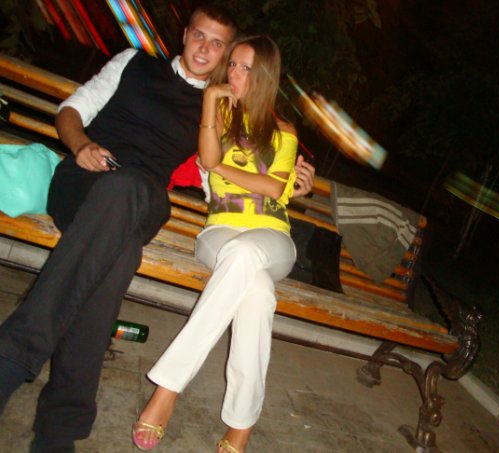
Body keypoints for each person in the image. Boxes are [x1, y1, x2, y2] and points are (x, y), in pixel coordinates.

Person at [0, 5, 312, 452]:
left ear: (225, 54)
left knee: (128, 188)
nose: (204, 48)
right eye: (199, 35)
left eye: (217, 44)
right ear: (184, 34)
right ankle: (58, 429)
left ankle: (12, 356)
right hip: (82, 184)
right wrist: (81, 144)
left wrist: (290, 185)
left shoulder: (218, 111)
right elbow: (72, 110)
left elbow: (216, 176)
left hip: (140, 196)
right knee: (119, 255)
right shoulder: (133, 63)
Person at [131, 35, 298, 453]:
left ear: (264, 76)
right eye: (233, 65)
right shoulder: (220, 114)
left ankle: (167, 389)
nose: (234, 74)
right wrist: (209, 101)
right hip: (219, 232)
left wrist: (221, 167)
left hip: (272, 237)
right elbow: (206, 156)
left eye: (245, 68)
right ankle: (241, 424)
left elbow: (272, 189)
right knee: (257, 292)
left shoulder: (284, 132)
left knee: (249, 260)